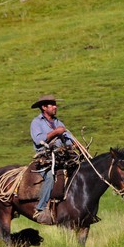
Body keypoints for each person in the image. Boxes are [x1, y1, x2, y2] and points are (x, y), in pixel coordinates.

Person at [29, 94, 73, 222]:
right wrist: (55, 132)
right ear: (44, 107)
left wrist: (72, 143)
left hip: (61, 157)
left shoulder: (58, 122)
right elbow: (38, 140)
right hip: (46, 158)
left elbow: (68, 137)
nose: (55, 107)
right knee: (49, 177)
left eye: (55, 104)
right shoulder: (36, 122)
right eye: (52, 105)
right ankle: (41, 209)